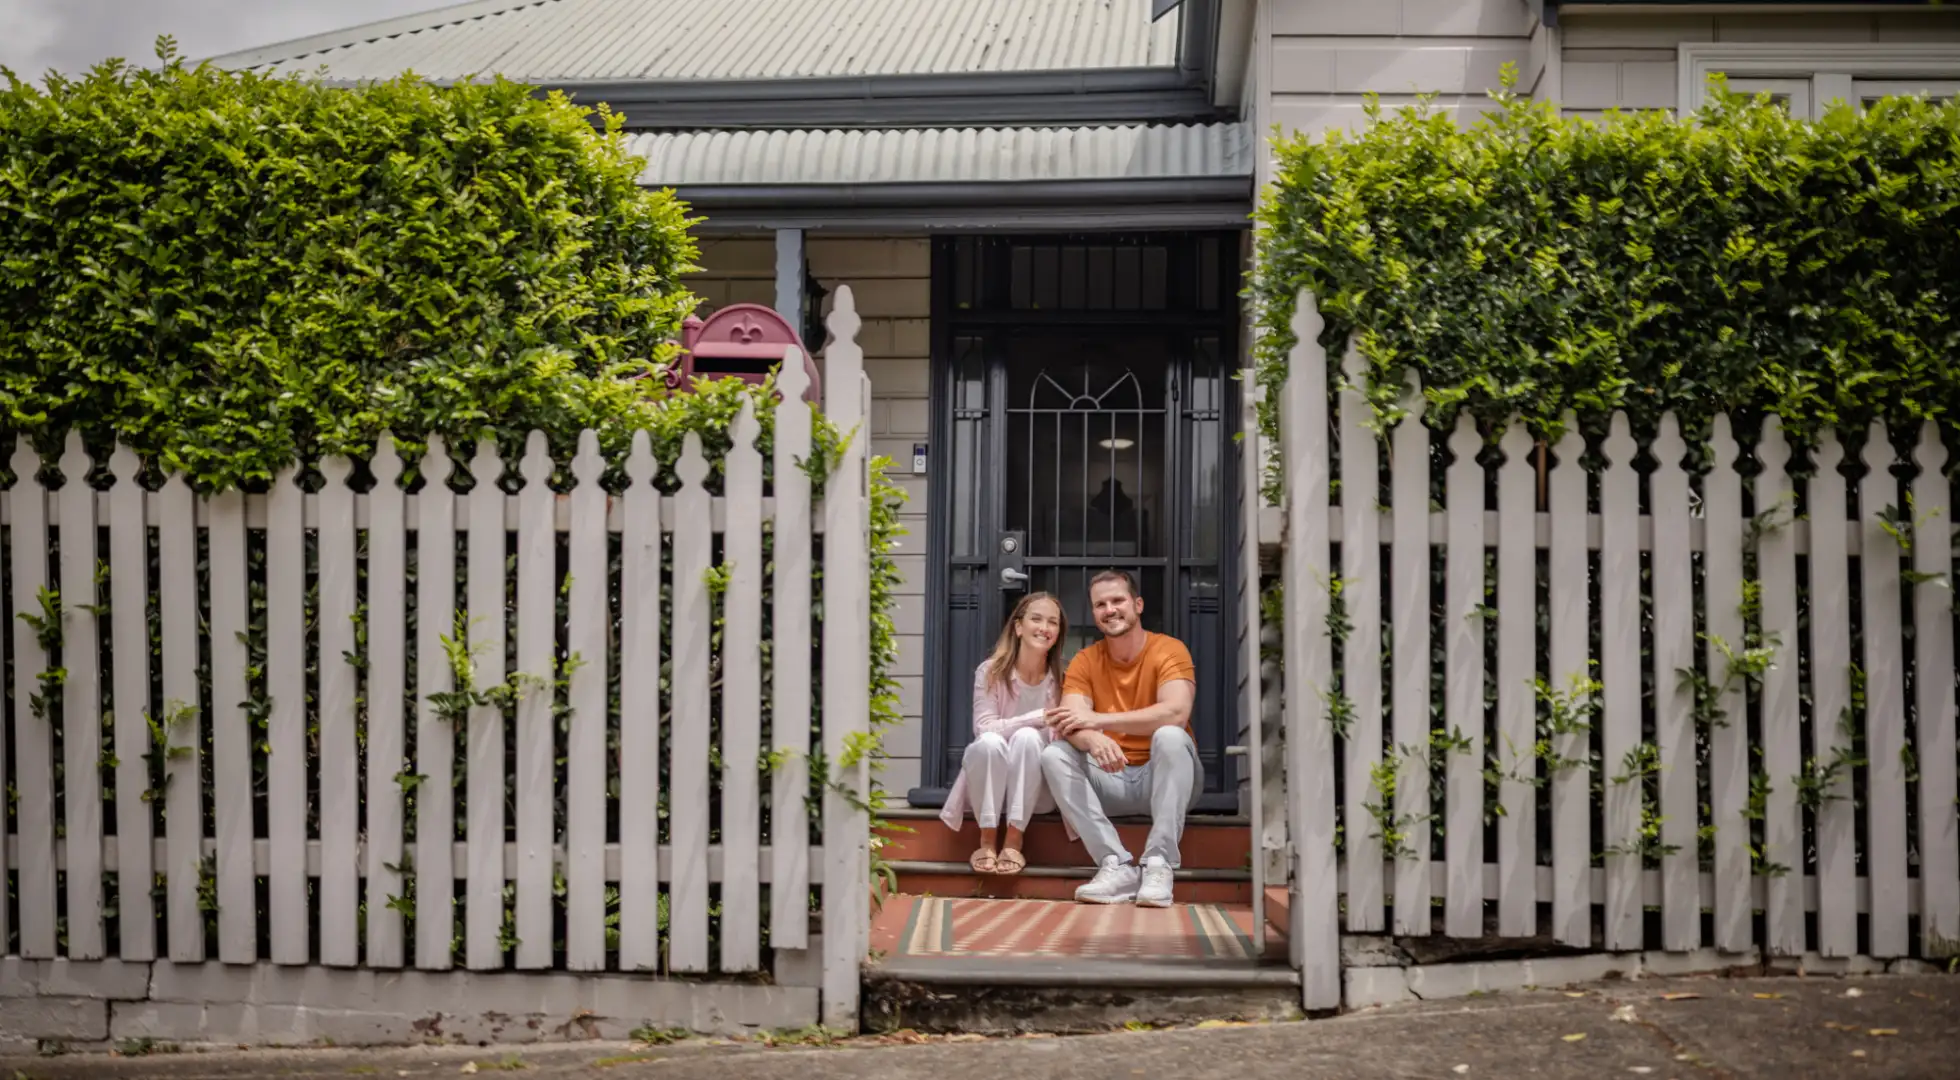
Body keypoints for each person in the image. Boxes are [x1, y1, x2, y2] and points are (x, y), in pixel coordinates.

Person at [1040, 569, 1200, 907]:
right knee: (1054, 754)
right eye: (1100, 604)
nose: (1109, 609)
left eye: (1117, 600)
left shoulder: (1169, 650)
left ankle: (1159, 864)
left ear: (1137, 604)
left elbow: (1176, 712)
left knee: (1171, 736)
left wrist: (1099, 720)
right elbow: (1072, 721)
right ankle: (1115, 865)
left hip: (1167, 778)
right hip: (1110, 776)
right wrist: (1094, 739)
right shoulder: (1085, 660)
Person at [937, 592, 1068, 875]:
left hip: (1037, 791)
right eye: (1036, 619)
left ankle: (1013, 839)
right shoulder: (990, 672)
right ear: (1018, 627)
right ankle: (986, 839)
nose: (1044, 627)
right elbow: (983, 727)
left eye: (1052, 622)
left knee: (1028, 738)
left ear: (1058, 633)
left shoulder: (1062, 679)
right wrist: (1037, 718)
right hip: (989, 786)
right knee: (988, 742)